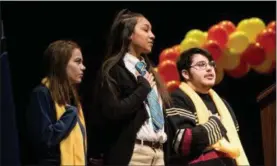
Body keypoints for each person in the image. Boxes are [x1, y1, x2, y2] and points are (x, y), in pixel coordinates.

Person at [88, 9, 171, 166]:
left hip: (158, 154)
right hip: (133, 154)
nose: (152, 35)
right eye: (145, 29)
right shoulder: (113, 69)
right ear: (129, 35)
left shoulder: (150, 71)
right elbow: (112, 111)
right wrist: (142, 89)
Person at [166, 48, 249, 166]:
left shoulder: (223, 104)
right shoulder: (177, 98)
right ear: (185, 74)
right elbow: (183, 143)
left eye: (211, 64)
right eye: (201, 65)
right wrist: (214, 124)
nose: (210, 68)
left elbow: (234, 143)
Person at [26, 40, 87, 165]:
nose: (83, 67)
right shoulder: (42, 94)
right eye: (77, 62)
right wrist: (69, 115)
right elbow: (45, 140)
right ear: (61, 64)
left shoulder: (72, 99)